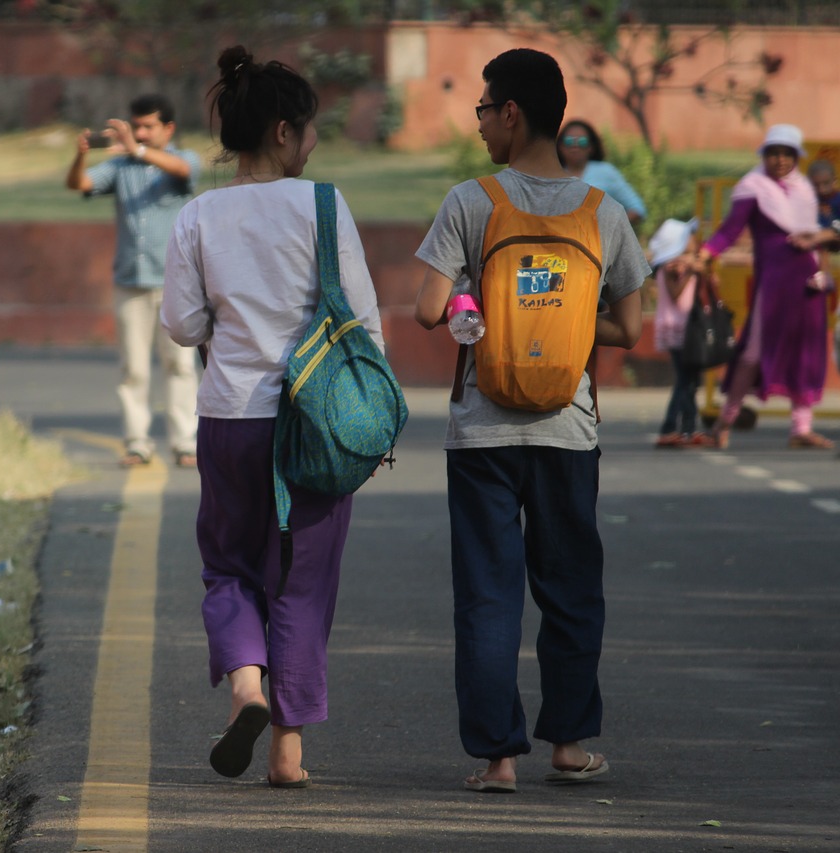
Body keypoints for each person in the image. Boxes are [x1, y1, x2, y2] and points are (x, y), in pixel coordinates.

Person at [412, 48, 649, 793]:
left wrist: (469, 302)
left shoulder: (470, 201)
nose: (480, 123)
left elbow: (425, 309)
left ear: (511, 112)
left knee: (488, 591)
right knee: (571, 586)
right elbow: (630, 329)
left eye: (484, 109)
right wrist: (566, 326)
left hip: (482, 431)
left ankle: (497, 758)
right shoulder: (602, 211)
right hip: (568, 429)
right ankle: (570, 745)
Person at [161, 45, 384, 789]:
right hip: (313, 422)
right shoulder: (323, 205)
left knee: (228, 566)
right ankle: (288, 754)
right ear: (284, 132)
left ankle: (245, 689)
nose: (314, 143)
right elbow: (362, 319)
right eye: (312, 129)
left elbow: (183, 325)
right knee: (302, 581)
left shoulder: (199, 214)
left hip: (230, 417)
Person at [66, 94, 202, 468]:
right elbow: (78, 184)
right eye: (136, 126)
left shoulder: (182, 159)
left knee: (180, 365)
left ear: (168, 128)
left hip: (176, 283)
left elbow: (185, 172)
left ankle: (185, 442)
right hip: (130, 282)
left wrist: (137, 151)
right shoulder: (121, 167)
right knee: (134, 369)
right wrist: (81, 155)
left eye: (147, 126)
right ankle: (137, 442)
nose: (140, 133)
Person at [695, 124, 834, 450]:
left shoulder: (804, 190)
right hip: (773, 284)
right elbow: (729, 231)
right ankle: (724, 422)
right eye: (774, 153)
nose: (781, 160)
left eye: (788, 154)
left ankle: (801, 429)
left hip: (808, 284)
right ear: (765, 155)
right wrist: (705, 255)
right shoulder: (752, 187)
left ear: (797, 157)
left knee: (807, 353)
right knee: (753, 355)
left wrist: (824, 274)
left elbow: (818, 237)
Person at [650, 218, 717, 448]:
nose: (694, 240)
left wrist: (700, 270)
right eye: (689, 237)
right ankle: (671, 428)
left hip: (691, 331)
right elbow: (676, 295)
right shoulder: (669, 267)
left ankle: (687, 428)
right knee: (685, 382)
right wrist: (689, 271)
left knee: (690, 382)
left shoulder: (689, 264)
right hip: (677, 331)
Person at [557, 119, 647, 225]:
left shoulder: (606, 172)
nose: (575, 146)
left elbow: (637, 209)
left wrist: (610, 229)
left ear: (591, 147)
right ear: (560, 146)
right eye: (569, 141)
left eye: (582, 142)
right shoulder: (551, 174)